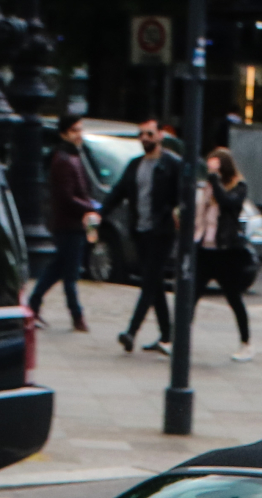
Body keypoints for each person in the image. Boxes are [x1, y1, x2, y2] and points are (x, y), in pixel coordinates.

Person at [101, 117, 183, 354]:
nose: (144, 138)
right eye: (141, 134)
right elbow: (118, 192)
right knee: (154, 283)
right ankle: (167, 336)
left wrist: (177, 212)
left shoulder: (172, 164)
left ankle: (131, 332)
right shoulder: (135, 165)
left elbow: (183, 195)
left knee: (148, 282)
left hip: (162, 232)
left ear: (160, 136)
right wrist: (100, 213)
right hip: (141, 231)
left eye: (149, 134)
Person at [27, 116, 97, 332]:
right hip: (69, 224)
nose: (79, 134)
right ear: (64, 133)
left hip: (69, 223)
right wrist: (89, 206)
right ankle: (76, 315)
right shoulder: (64, 159)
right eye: (74, 130)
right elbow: (67, 196)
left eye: (80, 130)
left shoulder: (71, 156)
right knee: (69, 272)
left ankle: (33, 305)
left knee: (58, 268)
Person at [194, 147, 255, 363]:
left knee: (233, 298)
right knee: (191, 296)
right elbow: (200, 213)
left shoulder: (238, 186)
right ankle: (178, 339)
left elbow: (229, 204)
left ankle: (246, 342)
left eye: (215, 167)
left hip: (226, 251)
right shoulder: (208, 188)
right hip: (205, 248)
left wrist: (215, 182)